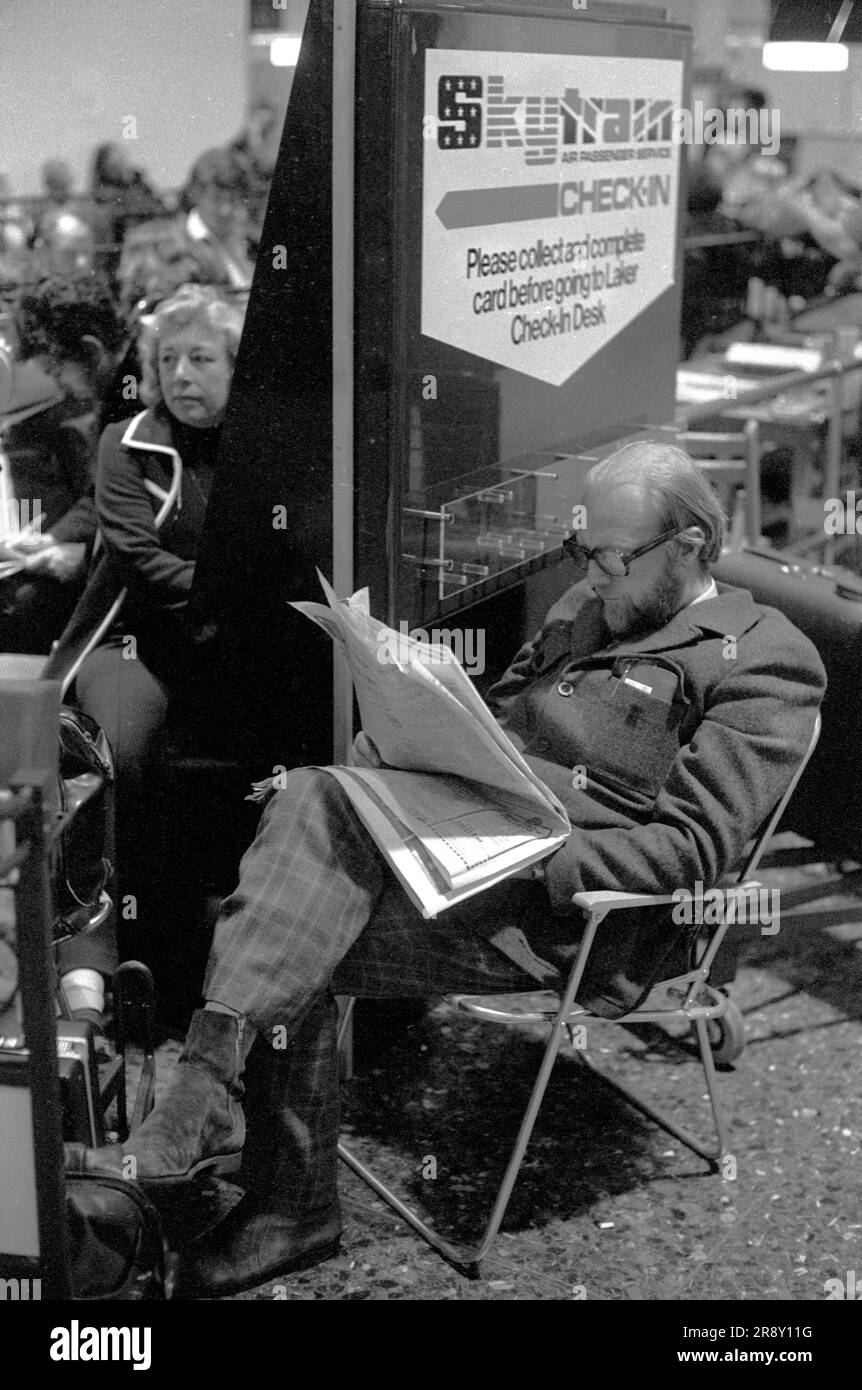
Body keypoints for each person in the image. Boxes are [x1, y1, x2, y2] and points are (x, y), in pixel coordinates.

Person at [93, 441, 826, 1298]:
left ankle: (251, 1156)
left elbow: (695, 853)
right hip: (474, 861)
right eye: (580, 551)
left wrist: (523, 852)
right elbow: (501, 730)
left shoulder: (765, 662)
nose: (592, 574)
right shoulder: (590, 605)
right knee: (317, 802)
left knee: (290, 922)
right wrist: (417, 735)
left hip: (585, 919)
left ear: (692, 545)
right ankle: (227, 1118)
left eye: (613, 557)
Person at [43, 283, 246, 1025]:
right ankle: (86, 971)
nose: (182, 375)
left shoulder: (271, 449)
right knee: (107, 750)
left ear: (235, 365)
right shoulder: (123, 442)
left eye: (201, 358)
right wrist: (236, 590)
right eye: (169, 360)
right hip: (134, 646)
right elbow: (138, 560)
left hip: (236, 653)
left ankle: (242, 970)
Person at [2, 273, 127, 655]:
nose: (60, 386)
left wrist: (83, 558)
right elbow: (102, 493)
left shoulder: (133, 400)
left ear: (90, 352)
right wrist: (54, 538)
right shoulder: (116, 394)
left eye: (57, 371)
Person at [182, 149, 254, 291]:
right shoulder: (178, 245)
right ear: (196, 194)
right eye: (217, 199)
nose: (225, 209)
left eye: (233, 199)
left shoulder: (250, 241)